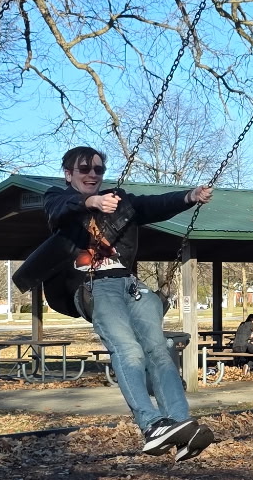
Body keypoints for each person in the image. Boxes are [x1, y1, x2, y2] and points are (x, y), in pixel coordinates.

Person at [15, 145, 218, 461]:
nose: (92, 175)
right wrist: (92, 202)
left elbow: (154, 205)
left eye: (98, 170)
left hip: (130, 285)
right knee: (129, 350)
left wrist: (189, 196)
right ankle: (151, 425)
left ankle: (180, 426)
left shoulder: (121, 201)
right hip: (92, 286)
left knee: (161, 350)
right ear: (69, 174)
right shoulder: (58, 197)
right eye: (84, 169)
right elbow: (60, 208)